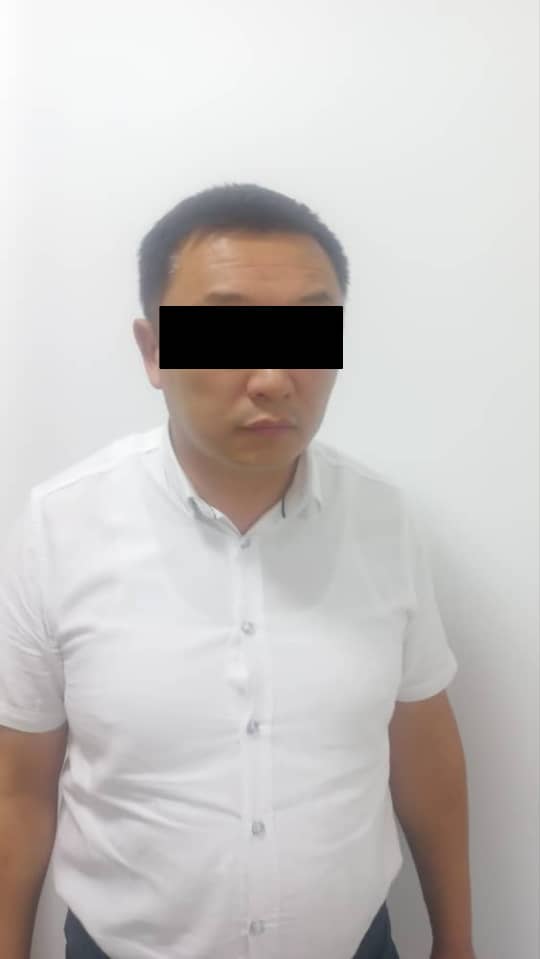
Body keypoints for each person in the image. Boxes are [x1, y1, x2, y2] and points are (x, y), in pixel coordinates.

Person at [0, 183, 463, 959]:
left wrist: (458, 939)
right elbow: (18, 789)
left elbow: (426, 758)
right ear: (153, 350)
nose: (274, 376)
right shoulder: (59, 527)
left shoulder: (384, 522)